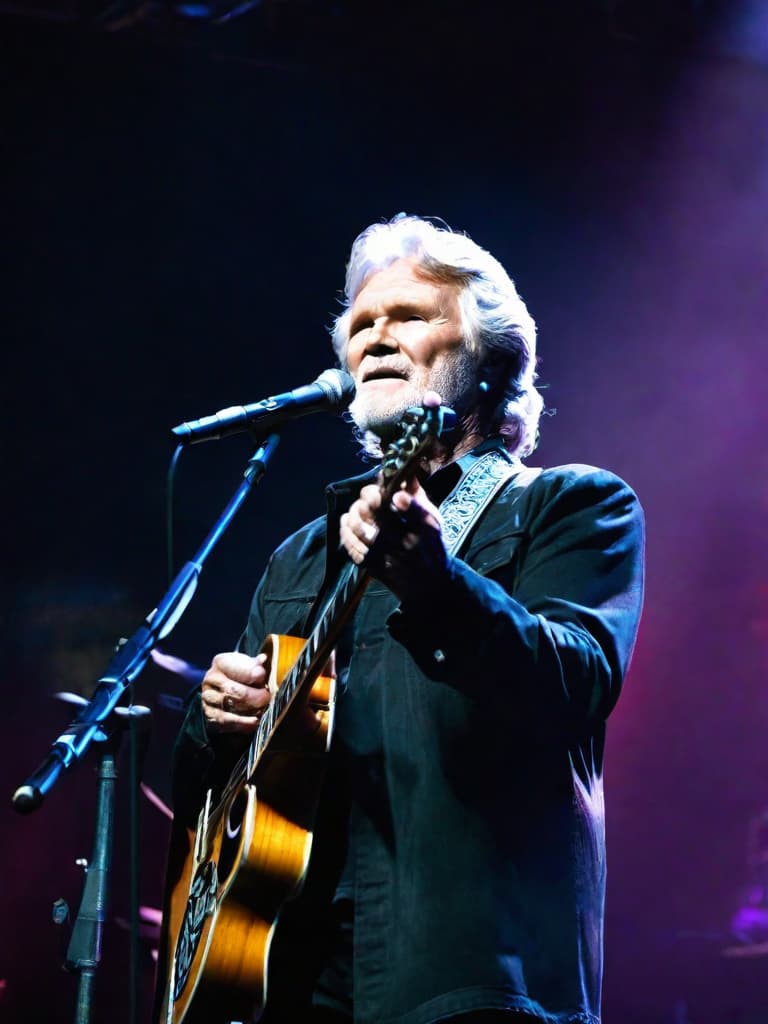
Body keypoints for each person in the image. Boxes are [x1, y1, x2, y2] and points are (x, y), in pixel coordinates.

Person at [165, 215, 645, 1024]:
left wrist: (436, 585)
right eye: (359, 325)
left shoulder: (569, 505)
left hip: (466, 979)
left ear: (492, 362)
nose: (375, 337)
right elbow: (210, 796)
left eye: (410, 317)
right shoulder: (300, 559)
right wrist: (214, 721)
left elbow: (575, 682)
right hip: (289, 977)